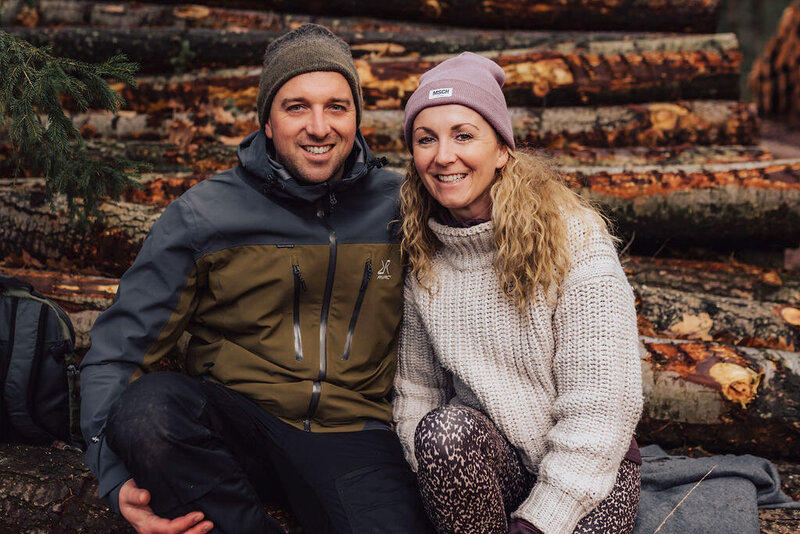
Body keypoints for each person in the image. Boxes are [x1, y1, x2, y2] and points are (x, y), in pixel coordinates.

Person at [80, 23, 432, 534]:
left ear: (357, 116)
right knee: (148, 411)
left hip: (352, 433)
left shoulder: (402, 206)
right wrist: (113, 478)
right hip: (234, 423)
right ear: (267, 120)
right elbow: (120, 351)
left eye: (336, 107)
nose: (319, 127)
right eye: (297, 107)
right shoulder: (204, 214)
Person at [393, 52, 644, 534]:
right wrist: (439, 483)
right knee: (444, 432)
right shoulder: (423, 253)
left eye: (463, 135)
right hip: (492, 463)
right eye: (426, 139)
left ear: (502, 150)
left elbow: (603, 403)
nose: (443, 156)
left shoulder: (573, 237)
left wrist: (537, 523)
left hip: (590, 472)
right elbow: (417, 392)